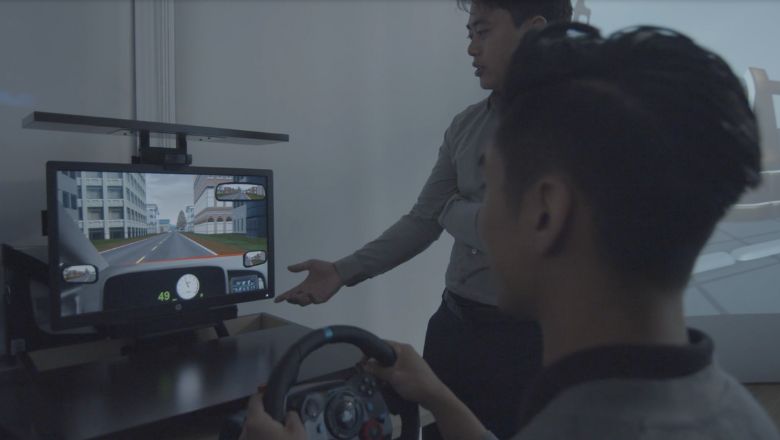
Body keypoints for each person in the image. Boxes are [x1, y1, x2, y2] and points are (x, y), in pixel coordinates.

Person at [242, 23, 780, 440]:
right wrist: (439, 397)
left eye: (493, 189)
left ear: (545, 213)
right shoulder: (739, 414)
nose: (477, 218)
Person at [273, 1, 573, 438]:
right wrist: (341, 271)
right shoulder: (466, 125)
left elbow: (520, 232)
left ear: (534, 32)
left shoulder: (583, 122)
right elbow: (421, 220)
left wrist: (453, 209)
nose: (471, 48)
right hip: (454, 325)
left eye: (483, 32)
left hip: (530, 342)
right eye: (469, 33)